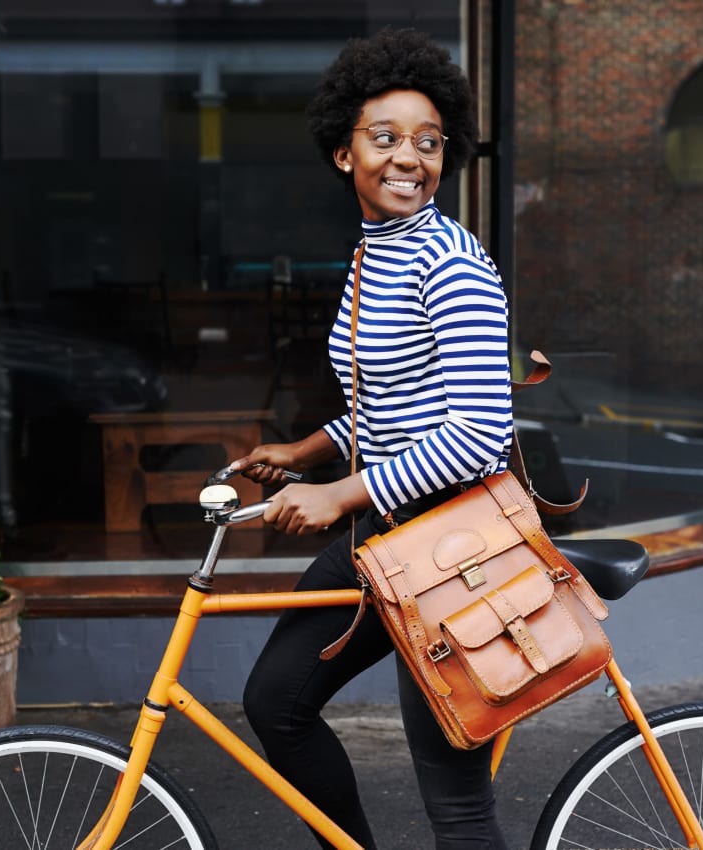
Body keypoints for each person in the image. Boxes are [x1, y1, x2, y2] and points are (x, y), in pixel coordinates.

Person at [231, 27, 512, 850]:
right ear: (342, 154)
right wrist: (305, 452)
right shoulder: (374, 255)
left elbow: (476, 435)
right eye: (384, 138)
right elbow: (395, 405)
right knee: (275, 704)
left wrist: (337, 493)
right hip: (381, 532)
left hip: (453, 548)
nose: (408, 159)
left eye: (428, 143)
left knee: (456, 804)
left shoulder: (449, 261)